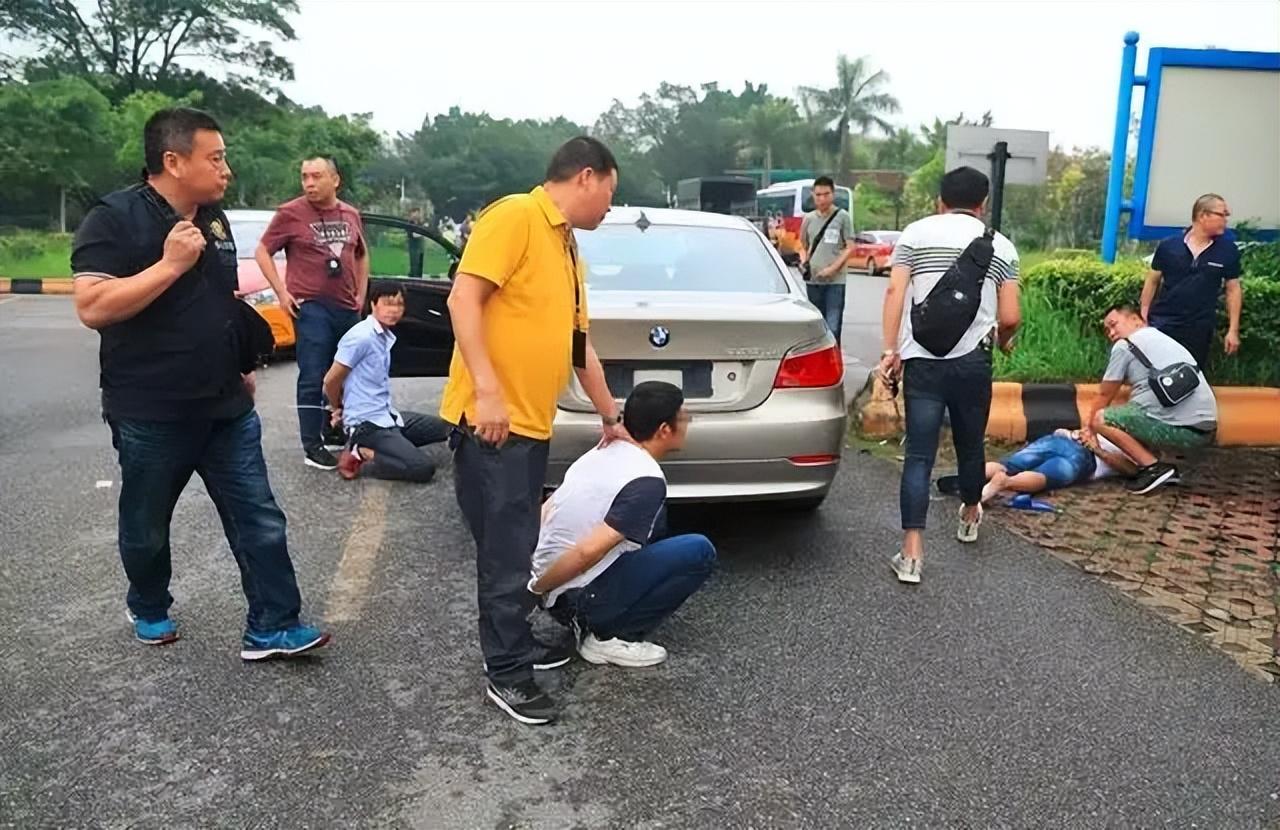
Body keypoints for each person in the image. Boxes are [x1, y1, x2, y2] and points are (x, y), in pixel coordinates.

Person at [70, 107, 329, 660]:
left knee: (258, 514)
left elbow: (220, 302)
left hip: (224, 404)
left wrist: (240, 364)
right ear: (172, 161)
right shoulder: (113, 218)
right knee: (147, 525)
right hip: (150, 410)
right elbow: (92, 307)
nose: (226, 169)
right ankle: (148, 602)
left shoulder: (214, 217)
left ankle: (273, 624)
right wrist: (167, 266)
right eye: (215, 157)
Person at [442, 135, 626, 726]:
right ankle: (507, 674)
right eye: (611, 194)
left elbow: (578, 345)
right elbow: (462, 300)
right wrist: (488, 392)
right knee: (504, 554)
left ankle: (514, 643)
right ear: (586, 177)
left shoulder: (567, 246)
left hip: (528, 424)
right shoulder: (516, 216)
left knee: (515, 547)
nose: (610, 207)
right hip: (495, 424)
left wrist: (610, 416)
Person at [878, 166, 1021, 585]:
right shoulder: (1002, 246)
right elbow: (1011, 316)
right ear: (983, 204)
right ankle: (971, 515)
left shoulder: (915, 234)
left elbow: (894, 293)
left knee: (920, 455)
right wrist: (1005, 339)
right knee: (970, 443)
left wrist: (891, 350)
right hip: (973, 362)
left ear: (940, 200)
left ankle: (912, 554)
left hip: (922, 360)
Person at [531, 382, 715, 671]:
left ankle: (590, 608)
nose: (687, 423)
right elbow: (586, 552)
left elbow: (550, 507)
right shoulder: (647, 481)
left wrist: (530, 567)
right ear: (664, 430)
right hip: (572, 595)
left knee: (658, 519)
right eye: (683, 418)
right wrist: (536, 590)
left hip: (554, 580)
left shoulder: (603, 451)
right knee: (699, 551)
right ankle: (607, 637)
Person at [254, 157, 370, 471]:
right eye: (304, 177)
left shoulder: (350, 214)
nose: (309, 183)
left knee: (344, 373)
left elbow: (360, 254)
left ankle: (332, 427)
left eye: (316, 176)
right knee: (313, 373)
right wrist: (281, 292)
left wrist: (361, 293)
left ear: (335, 180)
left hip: (346, 306)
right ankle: (312, 444)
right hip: (310, 305)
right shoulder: (290, 213)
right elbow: (262, 250)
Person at [1084, 304, 1218, 496]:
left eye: (1114, 325)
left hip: (1184, 432)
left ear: (1136, 320)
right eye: (1108, 330)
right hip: (1206, 429)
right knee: (1131, 412)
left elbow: (1105, 394)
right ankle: (1160, 468)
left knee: (1102, 419)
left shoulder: (1126, 345)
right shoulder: (1161, 340)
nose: (1111, 333)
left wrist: (1089, 429)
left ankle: (1154, 469)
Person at [322, 282, 449, 482]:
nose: (394, 310)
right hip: (367, 424)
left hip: (388, 416)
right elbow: (331, 380)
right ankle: (362, 451)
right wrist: (336, 407)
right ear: (373, 305)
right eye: (388, 303)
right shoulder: (361, 337)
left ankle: (394, 446)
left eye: (399, 305)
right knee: (422, 469)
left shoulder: (384, 336)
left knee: (446, 427)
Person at [1140, 194, 1242, 370]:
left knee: (1189, 377)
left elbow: (1233, 290)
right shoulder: (1168, 246)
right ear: (1203, 215)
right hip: (1164, 322)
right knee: (1158, 373)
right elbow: (1152, 280)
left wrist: (1233, 330)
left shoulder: (1228, 250)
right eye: (1222, 214)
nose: (1226, 220)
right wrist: (1143, 315)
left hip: (1199, 327)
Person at [977, 429, 1138, 503]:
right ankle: (1006, 483)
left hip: (1061, 439)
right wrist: (1096, 449)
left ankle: (972, 473)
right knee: (1044, 477)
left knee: (1008, 465)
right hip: (1084, 457)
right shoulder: (1138, 448)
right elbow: (1130, 470)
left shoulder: (1106, 422)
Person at [797, 176, 855, 344]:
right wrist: (804, 262)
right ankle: (819, 364)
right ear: (813, 195)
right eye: (818, 194)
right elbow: (802, 245)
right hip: (814, 281)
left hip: (835, 282)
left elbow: (850, 246)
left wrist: (833, 269)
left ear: (833, 194)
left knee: (833, 325)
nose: (822, 198)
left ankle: (834, 364)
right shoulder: (808, 219)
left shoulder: (842, 217)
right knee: (816, 325)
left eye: (826, 194)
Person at [407, 207, 425, 279]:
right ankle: (413, 277)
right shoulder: (410, 224)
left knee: (420, 264)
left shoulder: (420, 223)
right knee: (414, 263)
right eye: (415, 212)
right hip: (413, 246)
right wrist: (422, 233)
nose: (417, 214)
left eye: (418, 212)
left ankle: (419, 277)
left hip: (420, 247)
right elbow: (413, 235)